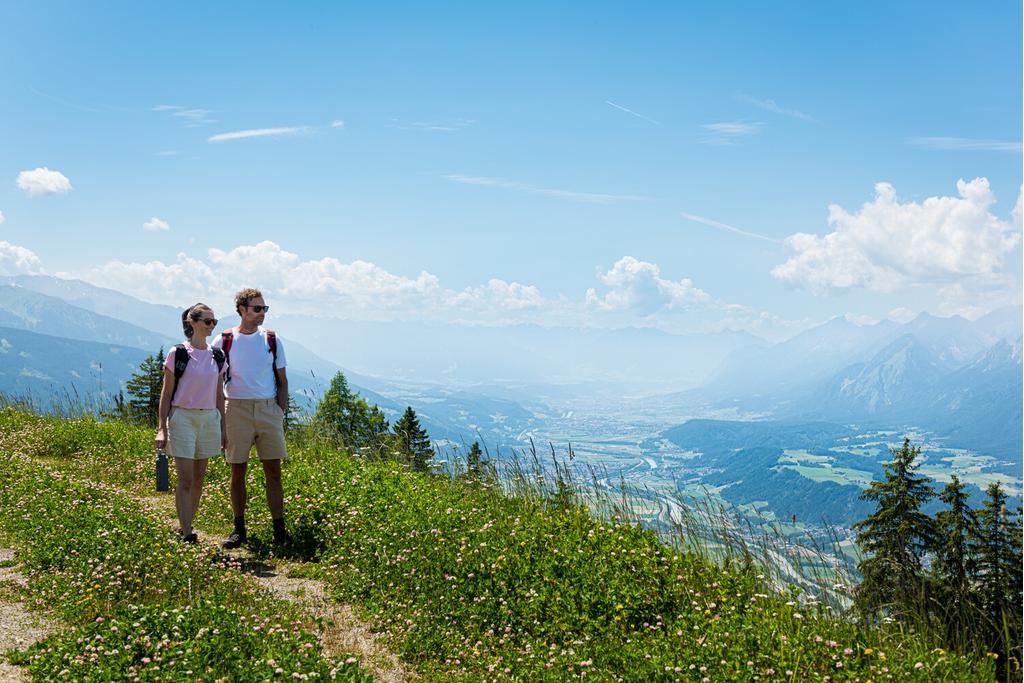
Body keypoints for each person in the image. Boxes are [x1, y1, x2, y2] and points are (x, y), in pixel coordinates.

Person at [213, 287, 291, 549]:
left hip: (268, 409)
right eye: (257, 309)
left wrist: (279, 411)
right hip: (236, 408)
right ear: (242, 310)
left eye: (264, 309)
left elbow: (282, 380)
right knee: (238, 470)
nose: (262, 314)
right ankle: (239, 529)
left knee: (274, 471)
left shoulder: (271, 339)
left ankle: (279, 531)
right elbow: (214, 380)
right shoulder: (223, 340)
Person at [155, 303, 227, 544]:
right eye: (208, 321)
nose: (212, 326)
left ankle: (187, 523)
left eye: (214, 321)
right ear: (192, 323)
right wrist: (162, 428)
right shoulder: (178, 354)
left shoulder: (218, 356)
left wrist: (223, 429)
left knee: (198, 479)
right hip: (183, 417)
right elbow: (166, 394)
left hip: (208, 419)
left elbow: (220, 395)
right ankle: (187, 533)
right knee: (185, 479)